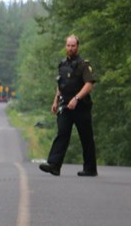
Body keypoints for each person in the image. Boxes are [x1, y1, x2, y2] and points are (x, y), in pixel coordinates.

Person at [40, 34, 98, 177]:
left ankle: (90, 168)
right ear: (65, 47)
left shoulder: (84, 65)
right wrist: (55, 100)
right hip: (65, 105)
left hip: (81, 106)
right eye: (68, 45)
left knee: (86, 137)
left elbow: (89, 84)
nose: (70, 48)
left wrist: (76, 98)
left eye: (73, 46)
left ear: (77, 47)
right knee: (62, 133)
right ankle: (54, 165)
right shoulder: (62, 65)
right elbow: (61, 85)